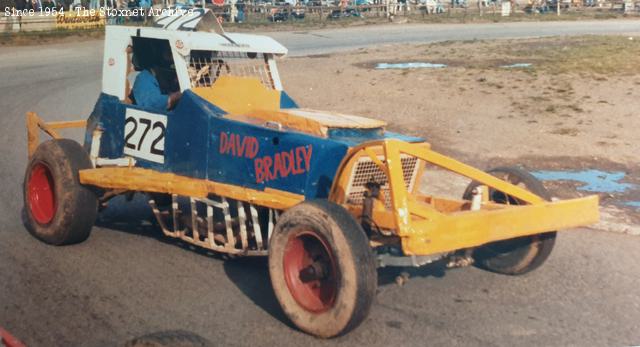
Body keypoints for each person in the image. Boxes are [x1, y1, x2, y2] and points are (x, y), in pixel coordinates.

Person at [132, 44, 182, 112]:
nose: (173, 59)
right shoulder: (144, 78)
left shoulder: (170, 79)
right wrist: (177, 96)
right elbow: (152, 105)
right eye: (170, 53)